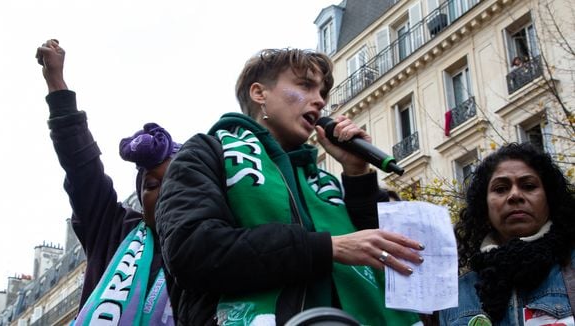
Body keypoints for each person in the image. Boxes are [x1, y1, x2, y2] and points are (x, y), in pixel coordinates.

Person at [155, 48, 426, 325]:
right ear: (259, 93)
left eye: (322, 93)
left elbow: (388, 258)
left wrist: (357, 174)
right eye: (306, 86)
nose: (319, 101)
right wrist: (326, 248)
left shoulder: (325, 182)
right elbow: (191, 249)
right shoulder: (205, 153)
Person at [36, 39, 176, 325]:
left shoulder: (213, 244)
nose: (163, 193)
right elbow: (82, 169)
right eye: (151, 185)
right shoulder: (114, 230)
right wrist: (57, 85)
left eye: (175, 181)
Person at [439, 142, 575, 325]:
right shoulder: (455, 292)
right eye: (501, 189)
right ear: (484, 206)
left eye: (528, 186)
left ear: (549, 198)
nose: (514, 195)